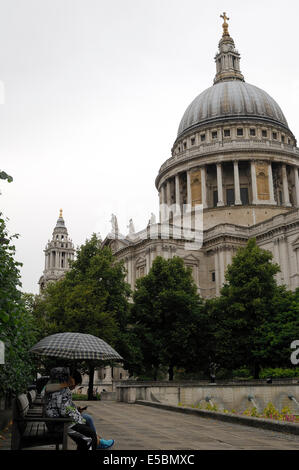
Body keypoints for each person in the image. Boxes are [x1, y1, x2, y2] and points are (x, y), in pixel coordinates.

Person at [44, 367, 114, 450]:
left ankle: (98, 441)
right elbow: (64, 411)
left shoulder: (59, 388)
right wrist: (78, 417)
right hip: (59, 423)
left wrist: (76, 410)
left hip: (59, 420)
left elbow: (64, 407)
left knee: (87, 423)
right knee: (89, 435)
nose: (74, 386)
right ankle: (98, 441)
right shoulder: (59, 390)